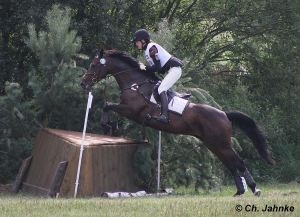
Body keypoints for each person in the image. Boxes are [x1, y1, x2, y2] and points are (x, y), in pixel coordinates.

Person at [132, 29, 183, 123]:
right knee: (158, 88)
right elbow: (158, 69)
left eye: (137, 42)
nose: (136, 44)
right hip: (171, 70)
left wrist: (143, 67)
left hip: (175, 70)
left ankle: (164, 116)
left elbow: (157, 67)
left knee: (161, 89)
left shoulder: (151, 48)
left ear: (143, 41)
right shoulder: (148, 49)